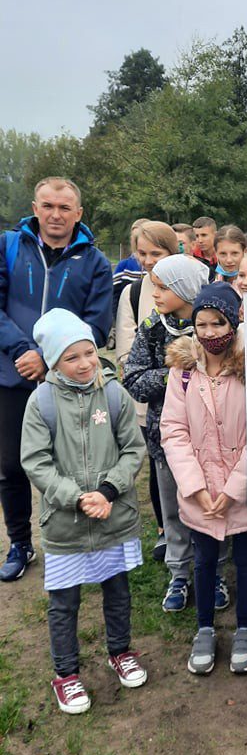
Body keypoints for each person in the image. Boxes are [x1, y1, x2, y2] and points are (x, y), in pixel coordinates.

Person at [20, 309, 147, 713]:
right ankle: (67, 674)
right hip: (66, 522)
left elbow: (133, 449)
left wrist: (108, 491)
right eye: (71, 357)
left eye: (89, 352)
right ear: (54, 361)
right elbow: (36, 461)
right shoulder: (41, 403)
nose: (85, 364)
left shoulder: (113, 394)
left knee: (117, 590)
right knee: (64, 602)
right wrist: (76, 497)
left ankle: (121, 651)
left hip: (112, 515)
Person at [0, 177, 113, 582]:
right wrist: (23, 352)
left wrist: (51, 362)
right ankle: (20, 542)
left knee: (73, 468)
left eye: (65, 208)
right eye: (48, 206)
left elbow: (98, 326)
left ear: (78, 214)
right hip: (12, 374)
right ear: (35, 207)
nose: (55, 214)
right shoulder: (9, 245)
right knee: (11, 466)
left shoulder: (96, 261)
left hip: (67, 383)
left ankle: (78, 546)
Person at [161, 283, 247, 675]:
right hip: (200, 490)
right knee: (204, 560)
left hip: (241, 489)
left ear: (234, 319)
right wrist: (194, 486)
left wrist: (233, 488)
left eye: (218, 323)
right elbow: (173, 429)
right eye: (201, 324)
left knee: (245, 560)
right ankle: (204, 628)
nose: (209, 332)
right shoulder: (184, 371)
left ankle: (245, 629)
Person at [123, 255, 210, 611]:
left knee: (208, 509)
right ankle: (180, 573)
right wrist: (173, 374)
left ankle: (213, 572)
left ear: (185, 289)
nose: (154, 293)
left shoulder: (212, 326)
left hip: (210, 441)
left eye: (162, 287)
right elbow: (133, 379)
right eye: (153, 286)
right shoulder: (152, 328)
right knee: (174, 508)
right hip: (166, 440)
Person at [115, 221, 178, 561]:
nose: (149, 260)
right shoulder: (133, 293)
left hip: (189, 401)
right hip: (149, 399)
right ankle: (164, 530)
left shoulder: (187, 285)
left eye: (157, 253)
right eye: (143, 254)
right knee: (158, 466)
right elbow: (126, 350)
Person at [214, 225, 246, 293]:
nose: (229, 260)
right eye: (223, 254)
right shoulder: (209, 285)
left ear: (244, 252)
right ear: (216, 253)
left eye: (234, 253)